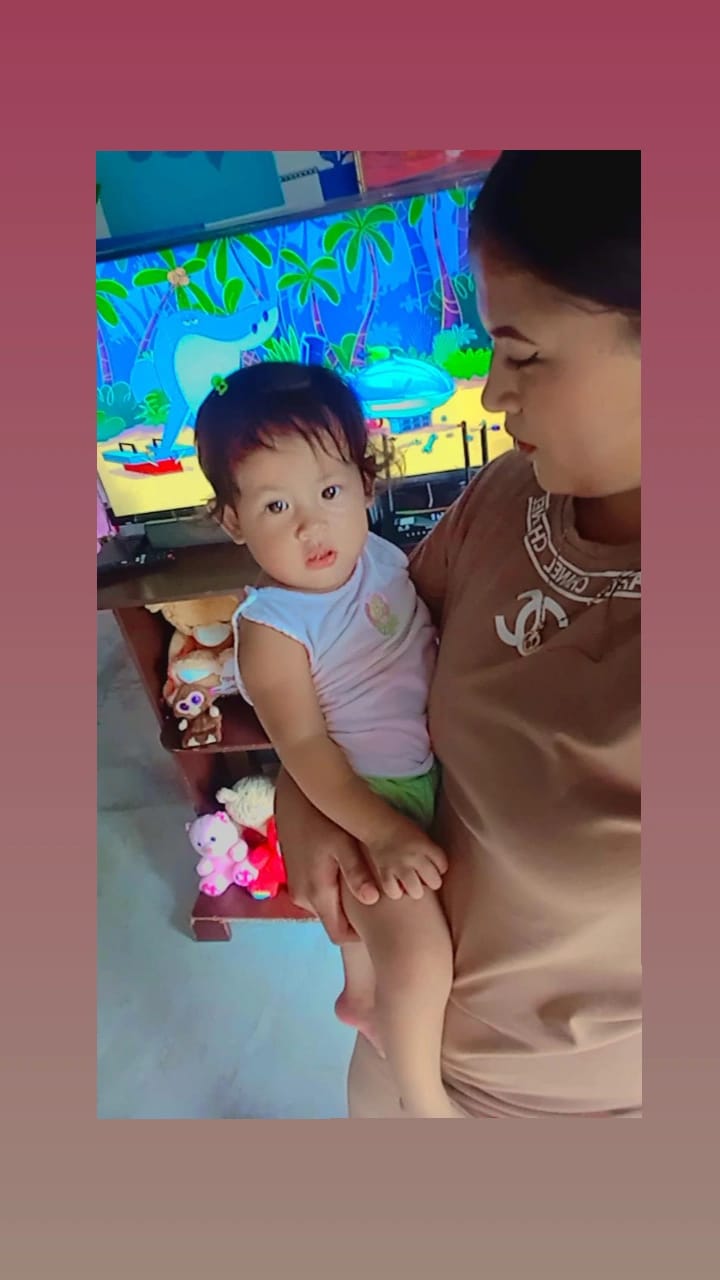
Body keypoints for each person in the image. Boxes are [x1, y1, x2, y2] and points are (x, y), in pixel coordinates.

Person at [275, 150, 642, 1118]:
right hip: (400, 1054)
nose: (489, 393)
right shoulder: (511, 493)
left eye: (523, 355)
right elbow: (367, 654)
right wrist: (306, 790)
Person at [195, 362, 462, 1118]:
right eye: (276, 505)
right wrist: (382, 832)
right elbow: (306, 752)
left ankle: (361, 992)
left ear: (366, 484)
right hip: (367, 800)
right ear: (232, 520)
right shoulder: (272, 630)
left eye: (329, 492)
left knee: (393, 954)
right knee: (420, 959)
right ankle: (426, 1104)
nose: (310, 526)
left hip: (425, 776)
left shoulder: (381, 557)